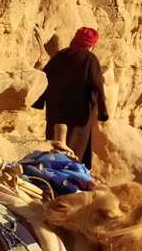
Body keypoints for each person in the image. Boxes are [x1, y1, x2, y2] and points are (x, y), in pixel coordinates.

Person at [32, 27, 108, 171]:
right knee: (75, 149)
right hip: (79, 115)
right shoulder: (90, 59)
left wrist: (39, 102)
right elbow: (98, 85)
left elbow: (45, 78)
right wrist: (103, 112)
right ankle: (70, 175)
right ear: (91, 45)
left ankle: (50, 171)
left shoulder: (61, 55)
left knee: (54, 144)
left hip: (56, 111)